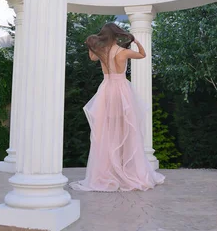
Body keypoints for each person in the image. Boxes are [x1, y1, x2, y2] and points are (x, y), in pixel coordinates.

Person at [69, 22, 165, 192]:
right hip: (121, 89)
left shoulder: (101, 51)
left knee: (106, 130)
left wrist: (91, 46)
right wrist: (135, 41)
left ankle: (109, 171)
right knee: (127, 128)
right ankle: (126, 169)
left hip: (106, 89)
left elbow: (92, 57)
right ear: (116, 35)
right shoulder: (124, 51)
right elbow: (142, 55)